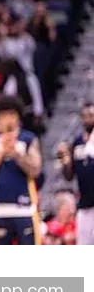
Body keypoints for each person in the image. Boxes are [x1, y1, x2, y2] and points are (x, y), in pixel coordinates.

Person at [0, 96, 43, 245]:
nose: (8, 119)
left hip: (25, 207)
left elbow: (36, 170)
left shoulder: (28, 139)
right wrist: (1, 152)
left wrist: (17, 154)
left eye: (12, 114)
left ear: (18, 117)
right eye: (4, 115)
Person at [57, 102, 94, 245]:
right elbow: (69, 176)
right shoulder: (77, 142)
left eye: (91, 115)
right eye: (85, 116)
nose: (88, 119)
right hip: (84, 203)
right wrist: (65, 160)